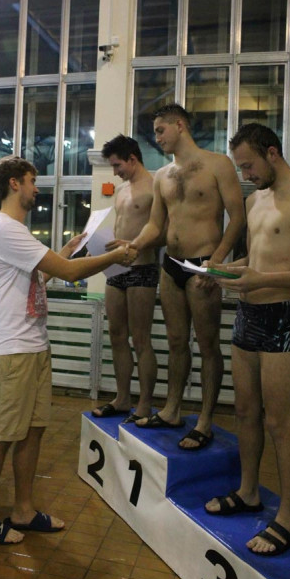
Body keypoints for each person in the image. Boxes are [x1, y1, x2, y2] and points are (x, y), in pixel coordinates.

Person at [0, 155, 137, 545]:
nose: (36, 188)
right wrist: (116, 256)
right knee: (1, 435)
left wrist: (66, 248)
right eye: (31, 181)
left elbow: (38, 274)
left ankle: (23, 510)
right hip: (10, 351)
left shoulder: (16, 232)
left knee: (33, 432)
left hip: (33, 347)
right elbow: (70, 273)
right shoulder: (4, 228)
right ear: (13, 184)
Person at [205, 123, 290, 556]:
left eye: (249, 165)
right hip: (248, 314)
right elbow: (256, 256)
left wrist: (264, 278)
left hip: (283, 317)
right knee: (246, 412)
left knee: (279, 422)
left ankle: (288, 519)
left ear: (272, 153)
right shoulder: (255, 200)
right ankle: (249, 491)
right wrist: (226, 272)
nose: (245, 174)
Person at [133, 104, 245, 450]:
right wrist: (132, 245)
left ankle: (206, 419)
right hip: (172, 265)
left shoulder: (217, 165)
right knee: (177, 341)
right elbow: (156, 225)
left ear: (180, 125)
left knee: (208, 344)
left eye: (160, 131)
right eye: (155, 132)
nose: (157, 138)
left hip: (204, 265)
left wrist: (216, 261)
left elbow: (238, 217)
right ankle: (171, 409)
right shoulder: (162, 175)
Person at [92, 135, 159, 423]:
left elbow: (162, 231)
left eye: (118, 165)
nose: (115, 171)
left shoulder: (156, 186)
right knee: (117, 336)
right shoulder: (120, 191)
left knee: (140, 339)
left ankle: (144, 404)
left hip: (142, 267)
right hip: (116, 268)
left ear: (133, 158)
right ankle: (122, 399)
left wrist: (134, 244)